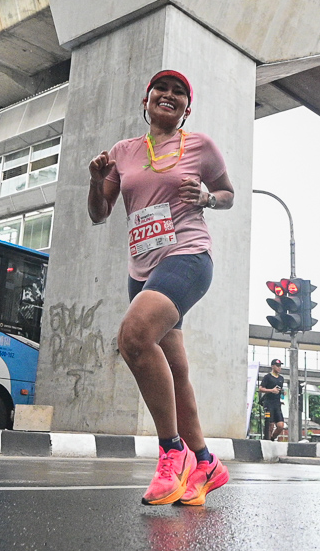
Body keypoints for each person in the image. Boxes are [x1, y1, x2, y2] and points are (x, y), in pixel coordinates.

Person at [88, 69, 235, 506]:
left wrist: (206, 198)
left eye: (179, 92)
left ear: (187, 107)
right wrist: (96, 180)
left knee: (134, 337)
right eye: (161, 89)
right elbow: (99, 213)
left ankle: (173, 452)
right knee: (176, 369)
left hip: (187, 256)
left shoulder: (200, 145)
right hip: (142, 268)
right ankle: (206, 462)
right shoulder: (123, 152)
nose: (168, 95)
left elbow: (227, 193)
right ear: (147, 99)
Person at [258, 359, 286, 442]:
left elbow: (279, 390)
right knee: (270, 424)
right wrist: (271, 390)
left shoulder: (281, 378)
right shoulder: (267, 377)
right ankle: (268, 440)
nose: (279, 368)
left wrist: (282, 393)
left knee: (280, 425)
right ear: (273, 366)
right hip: (268, 403)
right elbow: (260, 389)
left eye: (280, 366)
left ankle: (273, 438)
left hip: (277, 404)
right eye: (277, 366)